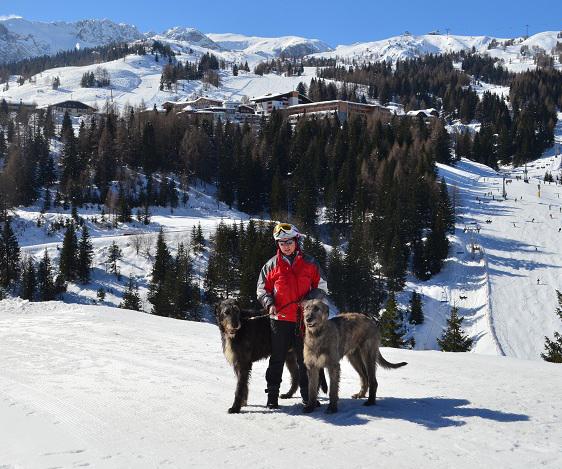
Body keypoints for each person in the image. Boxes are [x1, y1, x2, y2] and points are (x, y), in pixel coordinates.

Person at [257, 223, 328, 409]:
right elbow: (262, 291)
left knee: (304, 359)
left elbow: (322, 287)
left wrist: (309, 299)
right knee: (277, 358)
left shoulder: (310, 263)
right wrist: (269, 304)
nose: (286, 246)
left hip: (305, 321)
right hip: (279, 320)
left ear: (296, 241)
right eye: (281, 243)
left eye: (289, 241)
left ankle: (307, 395)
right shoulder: (271, 265)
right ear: (277, 245)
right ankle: (272, 396)